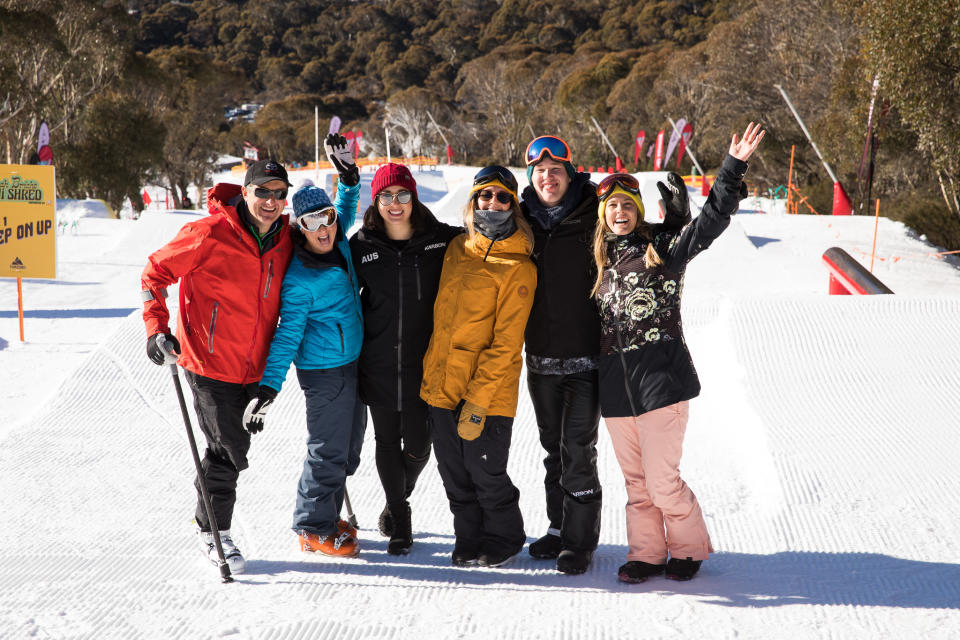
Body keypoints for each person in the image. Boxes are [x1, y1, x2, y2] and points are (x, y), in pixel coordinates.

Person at [592, 122, 764, 584]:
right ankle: (646, 554)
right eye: (613, 207)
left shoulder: (661, 250)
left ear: (638, 211)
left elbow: (709, 225)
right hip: (614, 390)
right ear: (603, 215)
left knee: (662, 482)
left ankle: (687, 549)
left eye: (628, 205)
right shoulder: (598, 262)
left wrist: (732, 169)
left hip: (661, 383)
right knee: (636, 486)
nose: (621, 213)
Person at [141, 158, 294, 574]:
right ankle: (212, 530)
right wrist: (157, 327)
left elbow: (325, 237)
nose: (271, 201)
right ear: (245, 192)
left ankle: (209, 517)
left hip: (256, 369)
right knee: (229, 451)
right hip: (208, 363)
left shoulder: (285, 239)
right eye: (263, 191)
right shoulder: (207, 234)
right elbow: (154, 273)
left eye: (280, 193)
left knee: (229, 445)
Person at [242, 134, 366, 558]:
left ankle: (327, 514)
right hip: (324, 372)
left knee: (349, 449)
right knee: (328, 450)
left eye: (327, 219)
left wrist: (348, 176)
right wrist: (268, 388)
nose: (323, 229)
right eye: (311, 222)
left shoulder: (340, 240)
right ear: (300, 226)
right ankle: (312, 526)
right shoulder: (299, 280)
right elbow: (287, 336)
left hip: (352, 363)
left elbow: (348, 205)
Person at [420, 166, 537, 568]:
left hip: (488, 392)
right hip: (441, 384)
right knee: (454, 472)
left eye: (503, 197)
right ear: (473, 201)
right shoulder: (456, 248)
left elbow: (506, 345)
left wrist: (478, 399)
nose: (494, 204)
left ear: (514, 205)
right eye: (485, 195)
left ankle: (504, 537)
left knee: (485, 471)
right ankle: (468, 538)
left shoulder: (521, 266)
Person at [349, 163, 462, 555]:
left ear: (414, 198)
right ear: (375, 200)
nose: (394, 204)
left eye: (402, 195)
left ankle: (396, 497)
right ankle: (400, 515)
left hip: (425, 364)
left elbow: (485, 243)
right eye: (386, 196)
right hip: (377, 362)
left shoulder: (441, 240)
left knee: (418, 445)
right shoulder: (360, 247)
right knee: (385, 441)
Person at [519, 135, 604, 575]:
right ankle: (558, 528)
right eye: (540, 172)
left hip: (586, 361)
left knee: (578, 449)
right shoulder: (520, 220)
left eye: (555, 171)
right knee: (552, 450)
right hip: (540, 361)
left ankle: (580, 540)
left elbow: (636, 234)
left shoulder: (594, 214)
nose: (547, 178)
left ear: (570, 174)